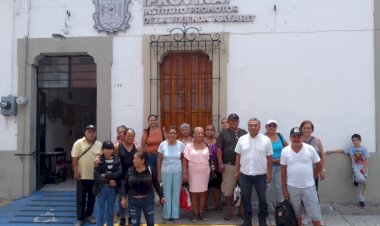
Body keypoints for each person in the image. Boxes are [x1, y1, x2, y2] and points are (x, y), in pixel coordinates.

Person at [281, 127, 323, 226]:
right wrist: (284, 190)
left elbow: (319, 165)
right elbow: (283, 172)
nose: (296, 139)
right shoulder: (285, 151)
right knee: (296, 215)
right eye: (294, 137)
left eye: (298, 136)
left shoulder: (310, 149)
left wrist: (313, 177)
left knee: (315, 215)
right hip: (292, 188)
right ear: (290, 138)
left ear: (302, 137)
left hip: (309, 188)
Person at [235, 118, 273, 226]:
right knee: (246, 199)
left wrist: (269, 173)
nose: (253, 127)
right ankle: (247, 221)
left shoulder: (266, 140)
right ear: (248, 127)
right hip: (245, 174)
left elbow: (269, 158)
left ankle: (262, 221)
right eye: (251, 125)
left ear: (259, 127)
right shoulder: (242, 139)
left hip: (261, 174)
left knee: (262, 199)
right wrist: (237, 171)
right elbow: (238, 156)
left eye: (255, 125)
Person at [121, 151, 166, 226]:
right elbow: (125, 186)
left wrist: (161, 196)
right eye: (133, 158)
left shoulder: (150, 170)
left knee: (150, 222)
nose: (133, 160)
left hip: (147, 200)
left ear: (142, 160)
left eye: (135, 159)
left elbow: (156, 185)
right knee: (135, 223)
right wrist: (123, 198)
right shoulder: (130, 170)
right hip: (133, 201)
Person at [217, 113, 247, 220]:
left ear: (239, 121)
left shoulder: (244, 132)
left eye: (236, 120)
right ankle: (229, 211)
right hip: (228, 166)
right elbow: (219, 149)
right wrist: (220, 162)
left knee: (244, 188)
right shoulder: (223, 133)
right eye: (232, 120)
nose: (234, 122)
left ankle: (241, 210)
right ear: (229, 122)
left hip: (243, 166)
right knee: (228, 190)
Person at [326, 134, 369, 207]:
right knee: (361, 179)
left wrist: (365, 167)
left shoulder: (364, 149)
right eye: (353, 141)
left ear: (360, 140)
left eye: (357, 140)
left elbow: (367, 158)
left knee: (364, 185)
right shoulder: (351, 149)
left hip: (363, 167)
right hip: (356, 168)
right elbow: (342, 150)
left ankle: (362, 200)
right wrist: (331, 151)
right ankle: (355, 178)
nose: (355, 142)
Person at [71, 125, 102, 226]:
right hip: (82, 176)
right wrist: (75, 171)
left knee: (92, 198)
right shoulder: (78, 143)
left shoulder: (99, 144)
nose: (91, 133)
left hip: (94, 176)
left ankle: (89, 215)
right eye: (89, 131)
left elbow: (101, 157)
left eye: (93, 132)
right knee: (81, 198)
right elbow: (74, 158)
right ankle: (80, 218)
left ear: (95, 133)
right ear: (85, 132)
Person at [157, 125, 185, 223]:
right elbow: (159, 159)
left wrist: (185, 173)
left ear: (177, 134)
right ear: (167, 134)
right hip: (165, 172)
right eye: (170, 132)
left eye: (174, 133)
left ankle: (175, 215)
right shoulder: (162, 144)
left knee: (176, 193)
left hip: (178, 171)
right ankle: (166, 215)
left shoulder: (181, 145)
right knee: (166, 193)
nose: (172, 134)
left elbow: (183, 159)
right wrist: (159, 174)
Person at [300, 120, 326, 225]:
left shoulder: (317, 141)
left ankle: (317, 217)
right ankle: (307, 215)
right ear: (301, 129)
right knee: (303, 195)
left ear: (312, 129)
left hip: (314, 172)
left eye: (308, 128)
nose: (306, 130)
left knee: (314, 195)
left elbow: (322, 155)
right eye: (304, 128)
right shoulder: (298, 139)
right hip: (302, 173)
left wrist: (323, 169)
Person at [183, 127, 210, 223]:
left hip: (204, 172)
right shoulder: (188, 146)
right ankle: (194, 212)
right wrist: (185, 173)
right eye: (198, 133)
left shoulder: (206, 145)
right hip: (193, 173)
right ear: (193, 134)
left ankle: (201, 212)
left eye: (202, 133)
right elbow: (185, 160)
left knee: (203, 192)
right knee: (193, 192)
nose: (200, 135)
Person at [93, 141, 122, 226]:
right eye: (106, 149)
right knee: (100, 212)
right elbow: (96, 177)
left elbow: (119, 173)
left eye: (111, 149)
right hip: (101, 188)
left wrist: (106, 175)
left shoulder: (117, 159)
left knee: (110, 212)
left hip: (112, 189)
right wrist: (109, 181)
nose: (109, 151)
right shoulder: (98, 160)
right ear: (103, 149)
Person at [114, 128, 138, 226]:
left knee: (132, 198)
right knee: (121, 198)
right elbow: (108, 157)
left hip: (133, 177)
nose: (130, 137)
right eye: (128, 135)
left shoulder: (137, 147)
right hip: (121, 177)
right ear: (124, 136)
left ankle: (131, 218)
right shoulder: (117, 146)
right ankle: (122, 218)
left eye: (132, 136)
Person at [264, 119, 288, 204]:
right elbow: (260, 153)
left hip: (280, 167)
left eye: (274, 125)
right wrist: (273, 160)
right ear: (266, 127)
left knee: (280, 187)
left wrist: (282, 159)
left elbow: (288, 148)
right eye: (269, 125)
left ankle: (280, 207)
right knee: (267, 187)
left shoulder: (280, 136)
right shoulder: (263, 137)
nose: (272, 127)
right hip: (267, 167)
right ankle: (265, 207)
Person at [203, 124, 222, 214]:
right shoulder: (201, 141)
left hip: (217, 168)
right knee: (206, 188)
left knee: (217, 188)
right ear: (204, 131)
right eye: (207, 129)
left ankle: (217, 205)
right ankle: (204, 206)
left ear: (214, 131)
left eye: (211, 129)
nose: (209, 131)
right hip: (204, 168)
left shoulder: (218, 141)